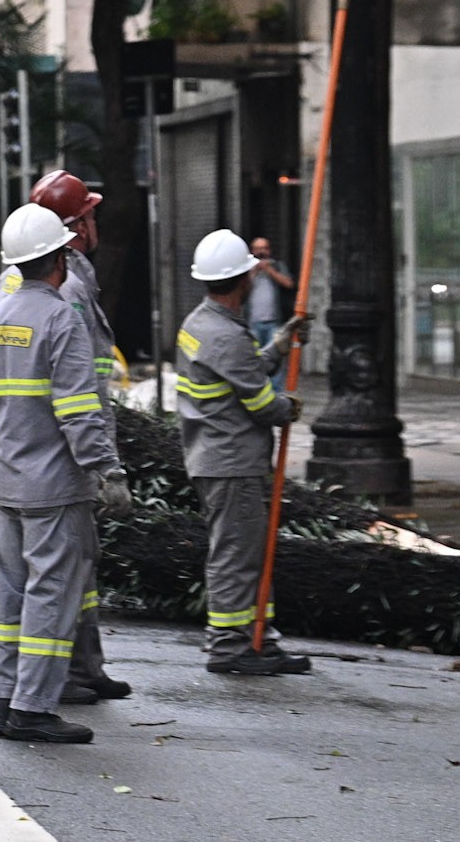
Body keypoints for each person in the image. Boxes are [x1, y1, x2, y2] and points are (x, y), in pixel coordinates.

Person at [0, 203, 128, 744]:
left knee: (8, 592)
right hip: (54, 487)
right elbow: (79, 410)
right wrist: (107, 471)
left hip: (4, 484)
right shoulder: (61, 318)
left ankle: (5, 700)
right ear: (60, 256)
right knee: (51, 595)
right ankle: (33, 710)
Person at [177, 228, 310, 676]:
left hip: (218, 456)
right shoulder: (225, 335)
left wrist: (281, 342)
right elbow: (261, 404)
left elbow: (244, 372)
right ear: (244, 279)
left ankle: (258, 638)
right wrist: (288, 406)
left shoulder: (201, 323)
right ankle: (229, 645)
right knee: (236, 554)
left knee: (248, 551)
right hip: (231, 461)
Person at [25, 170, 132, 704]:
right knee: (65, 567)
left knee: (81, 560)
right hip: (66, 446)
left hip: (68, 440)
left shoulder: (72, 275)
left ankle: (86, 666)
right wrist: (101, 462)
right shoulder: (66, 285)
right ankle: (64, 674)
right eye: (90, 214)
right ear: (76, 226)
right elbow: (72, 383)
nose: (96, 223)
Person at [243, 235, 294, 348]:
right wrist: (254, 271)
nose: (261, 252)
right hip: (253, 323)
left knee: (274, 357)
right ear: (252, 251)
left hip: (274, 322)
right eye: (258, 249)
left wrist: (269, 270)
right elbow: (241, 290)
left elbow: (289, 284)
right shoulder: (246, 269)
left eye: (264, 248)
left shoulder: (277, 266)